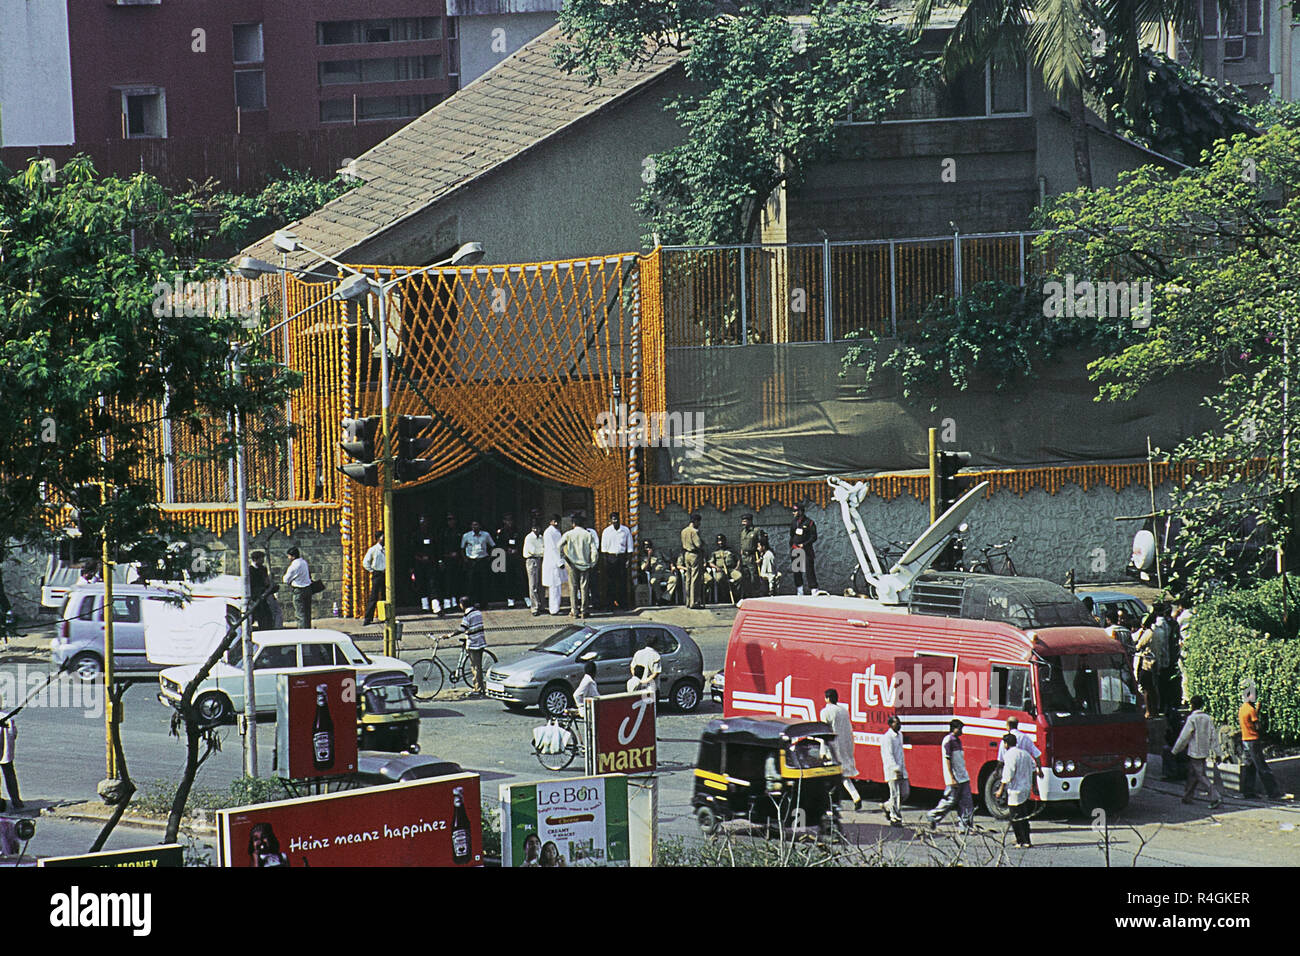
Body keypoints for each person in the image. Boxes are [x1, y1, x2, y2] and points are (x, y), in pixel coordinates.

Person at [1239, 681, 1290, 800]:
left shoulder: (1242, 708)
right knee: (1262, 767)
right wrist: (1259, 713)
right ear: (1250, 696)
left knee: (1249, 766)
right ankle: (1274, 793)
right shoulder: (1251, 710)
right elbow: (1257, 726)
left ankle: (1248, 792)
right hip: (1253, 740)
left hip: (1245, 739)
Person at [1172, 695, 1222, 809]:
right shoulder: (1207, 718)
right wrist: (1218, 753)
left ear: (1192, 705)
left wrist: (1175, 751)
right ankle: (1187, 796)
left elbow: (1184, 737)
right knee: (1193, 774)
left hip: (1194, 752)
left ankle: (1215, 796)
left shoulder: (1192, 719)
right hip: (1204, 751)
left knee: (1200, 775)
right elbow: (1213, 737)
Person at [926, 719, 974, 832]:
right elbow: (947, 759)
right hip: (954, 777)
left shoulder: (958, 741)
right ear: (954, 728)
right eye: (960, 729)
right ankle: (933, 816)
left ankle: (965, 826)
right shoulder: (948, 741)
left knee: (967, 802)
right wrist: (951, 777)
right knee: (950, 801)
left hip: (963, 776)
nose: (962, 731)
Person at [819, 689, 861, 810]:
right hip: (844, 745)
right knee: (843, 776)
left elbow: (824, 732)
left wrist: (823, 751)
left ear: (827, 698)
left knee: (831, 776)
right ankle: (855, 796)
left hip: (832, 747)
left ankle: (832, 802)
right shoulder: (844, 711)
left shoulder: (825, 712)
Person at [997, 734, 1036, 848]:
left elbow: (1008, 774)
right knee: (1024, 816)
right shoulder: (1025, 754)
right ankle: (1027, 840)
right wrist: (1034, 785)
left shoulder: (1009, 755)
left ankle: (1020, 840)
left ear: (1006, 744)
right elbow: (1034, 769)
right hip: (1026, 788)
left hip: (1015, 790)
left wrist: (1000, 789)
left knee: (1015, 817)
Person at [560, 514, 597, 619]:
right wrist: (592, 563)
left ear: (573, 524)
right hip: (585, 564)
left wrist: (564, 558)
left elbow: (559, 546)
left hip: (572, 564)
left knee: (573, 587)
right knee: (584, 588)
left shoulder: (568, 534)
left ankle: (574, 610)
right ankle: (584, 610)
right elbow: (594, 550)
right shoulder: (588, 534)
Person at [454, 596, 488, 696]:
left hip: (473, 643)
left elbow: (462, 628)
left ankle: (477, 689)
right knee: (478, 666)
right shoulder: (478, 612)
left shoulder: (467, 615)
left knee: (475, 667)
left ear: (462, 605)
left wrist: (449, 635)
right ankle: (481, 687)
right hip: (481, 641)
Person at [600, 512, 634, 611]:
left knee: (622, 582)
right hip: (610, 558)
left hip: (621, 558)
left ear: (619, 519)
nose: (615, 521)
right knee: (610, 582)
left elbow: (630, 547)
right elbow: (604, 549)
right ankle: (610, 604)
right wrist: (605, 562)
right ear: (610, 521)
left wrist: (628, 560)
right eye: (613, 519)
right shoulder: (606, 531)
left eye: (616, 519)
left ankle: (623, 604)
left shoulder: (625, 530)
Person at [879, 715, 908, 826]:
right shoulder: (887, 738)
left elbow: (900, 753)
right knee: (895, 795)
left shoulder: (900, 735)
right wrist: (896, 769)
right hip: (892, 770)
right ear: (891, 724)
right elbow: (888, 755)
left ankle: (887, 806)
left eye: (899, 722)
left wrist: (902, 768)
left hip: (902, 769)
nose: (899, 725)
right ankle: (895, 818)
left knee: (905, 793)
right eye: (897, 723)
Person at [461, 521, 495, 611]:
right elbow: (462, 548)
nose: (474, 527)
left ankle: (484, 604)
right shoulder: (466, 536)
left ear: (480, 526)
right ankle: (471, 604)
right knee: (471, 584)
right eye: (473, 525)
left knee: (483, 583)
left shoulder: (486, 535)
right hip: (471, 561)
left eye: (476, 525)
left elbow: (492, 545)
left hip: (482, 560)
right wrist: (465, 559)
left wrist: (490, 557)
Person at [410, 513, 439, 614]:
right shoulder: (415, 535)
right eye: (421, 522)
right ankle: (425, 606)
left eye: (425, 521)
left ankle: (436, 606)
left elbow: (436, 549)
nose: (424, 524)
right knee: (421, 585)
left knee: (432, 584)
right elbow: (412, 551)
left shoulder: (432, 534)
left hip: (431, 563)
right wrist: (420, 558)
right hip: (419, 564)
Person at [495, 513, 525, 608]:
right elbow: (498, 544)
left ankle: (523, 597)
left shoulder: (517, 530)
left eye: (510, 520)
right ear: (504, 521)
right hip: (506, 557)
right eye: (507, 520)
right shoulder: (502, 532)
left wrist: (517, 549)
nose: (509, 522)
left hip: (516, 557)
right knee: (508, 578)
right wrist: (506, 549)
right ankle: (510, 599)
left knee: (520, 578)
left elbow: (521, 542)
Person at [435, 513, 463, 613]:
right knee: (447, 582)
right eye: (449, 520)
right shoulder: (443, 532)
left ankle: (454, 602)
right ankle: (447, 603)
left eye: (453, 519)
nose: (451, 522)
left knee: (456, 581)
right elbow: (439, 547)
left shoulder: (459, 532)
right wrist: (440, 559)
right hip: (446, 560)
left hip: (456, 560)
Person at [789, 502, 819, 594]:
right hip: (796, 549)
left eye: (795, 511)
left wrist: (805, 544)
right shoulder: (794, 522)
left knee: (809, 570)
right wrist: (792, 546)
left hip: (806, 550)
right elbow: (792, 535)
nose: (793, 513)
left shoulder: (809, 522)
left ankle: (813, 589)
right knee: (797, 570)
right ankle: (799, 589)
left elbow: (814, 537)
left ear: (801, 511)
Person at [1133, 621, 1161, 718]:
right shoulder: (1159, 631)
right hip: (1156, 662)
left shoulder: (1148, 632)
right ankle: (1155, 711)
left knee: (1146, 688)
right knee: (1153, 688)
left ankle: (1148, 711)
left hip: (1147, 663)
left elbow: (1139, 645)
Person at [542, 514, 567, 616]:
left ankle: (556, 607)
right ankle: (553, 609)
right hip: (552, 562)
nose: (556, 523)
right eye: (554, 521)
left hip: (557, 560)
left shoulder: (557, 532)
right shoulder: (548, 532)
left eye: (557, 521)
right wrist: (559, 562)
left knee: (557, 586)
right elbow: (552, 548)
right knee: (553, 587)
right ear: (551, 522)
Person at [707, 534, 742, 605]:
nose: (720, 543)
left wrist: (737, 567)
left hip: (731, 569)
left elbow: (738, 559)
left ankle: (736, 596)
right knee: (719, 579)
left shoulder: (731, 550)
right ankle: (724, 596)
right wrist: (716, 568)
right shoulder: (714, 552)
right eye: (719, 541)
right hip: (721, 570)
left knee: (739, 577)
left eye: (722, 541)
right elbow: (710, 563)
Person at [282, 546, 312, 628]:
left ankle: (302, 631)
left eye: (289, 556)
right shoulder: (304, 562)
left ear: (293, 556)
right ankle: (308, 629)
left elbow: (286, 579)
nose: (288, 558)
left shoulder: (294, 565)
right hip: (308, 588)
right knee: (307, 613)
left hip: (299, 590)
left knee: (300, 614)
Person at [680, 513, 705, 609]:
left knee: (688, 579)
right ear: (695, 521)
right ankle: (694, 602)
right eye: (699, 522)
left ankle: (688, 601)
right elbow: (698, 544)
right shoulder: (694, 531)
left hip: (686, 554)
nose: (699, 524)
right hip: (694, 555)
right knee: (695, 579)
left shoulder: (683, 531)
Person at [0, 696, 21, 811]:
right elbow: (14, 733)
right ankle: (16, 801)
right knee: (10, 775)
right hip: (6, 753)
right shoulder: (7, 716)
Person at [523, 519, 547, 616]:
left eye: (537, 528)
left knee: (541, 584)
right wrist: (543, 552)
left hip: (540, 560)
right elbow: (532, 551)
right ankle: (534, 607)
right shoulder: (529, 538)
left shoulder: (541, 537)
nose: (536, 530)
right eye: (534, 528)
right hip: (532, 560)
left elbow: (544, 547)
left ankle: (542, 605)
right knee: (533, 584)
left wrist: (543, 552)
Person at [638, 540, 673, 606]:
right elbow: (644, 568)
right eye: (645, 545)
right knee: (653, 582)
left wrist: (672, 566)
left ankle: (665, 598)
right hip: (655, 573)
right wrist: (649, 556)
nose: (647, 547)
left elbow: (668, 559)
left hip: (664, 571)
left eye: (649, 545)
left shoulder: (658, 552)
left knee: (673, 579)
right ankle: (659, 598)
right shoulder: (643, 556)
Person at [361, 532, 385, 627]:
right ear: (378, 538)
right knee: (374, 596)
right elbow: (365, 562)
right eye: (382, 537)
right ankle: (368, 618)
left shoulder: (387, 548)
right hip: (377, 573)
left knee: (385, 596)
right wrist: (372, 571)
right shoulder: (373, 549)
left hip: (386, 573)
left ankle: (385, 616)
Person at [248, 550, 276, 630]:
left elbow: (266, 581)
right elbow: (252, 585)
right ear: (255, 559)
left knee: (267, 616)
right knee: (259, 615)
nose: (263, 561)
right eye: (261, 559)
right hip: (256, 596)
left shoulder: (263, 568)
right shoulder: (250, 570)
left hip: (264, 595)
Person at [738, 514, 762, 598]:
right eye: (742, 521)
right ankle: (747, 596)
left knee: (754, 578)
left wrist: (761, 558)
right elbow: (742, 546)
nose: (743, 523)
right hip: (744, 557)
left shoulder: (756, 531)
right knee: (745, 577)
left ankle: (756, 595)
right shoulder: (743, 532)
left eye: (745, 521)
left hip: (753, 557)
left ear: (750, 521)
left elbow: (761, 545)